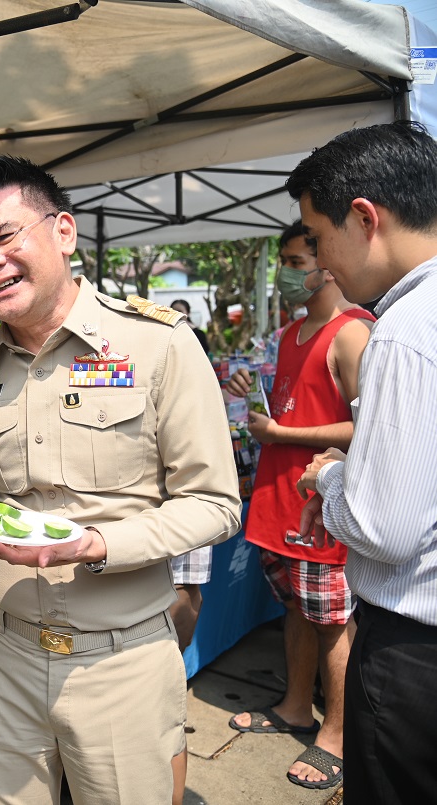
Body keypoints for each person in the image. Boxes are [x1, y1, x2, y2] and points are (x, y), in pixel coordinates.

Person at [0, 155, 241, 804]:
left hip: (119, 659)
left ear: (64, 232)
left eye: (6, 236)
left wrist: (96, 543)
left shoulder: (156, 346)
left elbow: (214, 503)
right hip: (1, 649)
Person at [293, 121, 437, 804]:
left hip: (414, 653)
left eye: (318, 239)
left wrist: (331, 476)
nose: (322, 263)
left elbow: (384, 526)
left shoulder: (404, 332)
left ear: (364, 218)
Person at [224, 220, 372, 790]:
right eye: (283, 261)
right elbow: (285, 400)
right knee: (296, 610)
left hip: (322, 508)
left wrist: (282, 433)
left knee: (334, 622)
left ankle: (334, 734)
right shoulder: (290, 334)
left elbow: (368, 427)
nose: (286, 272)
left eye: (293, 260)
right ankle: (293, 706)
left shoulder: (353, 332)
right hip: (278, 506)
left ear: (327, 262)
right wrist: (248, 391)